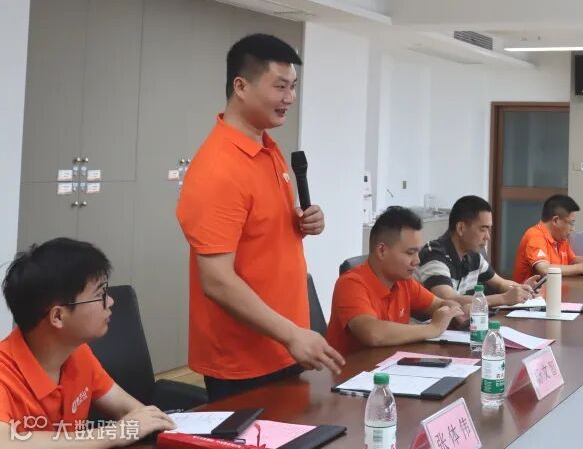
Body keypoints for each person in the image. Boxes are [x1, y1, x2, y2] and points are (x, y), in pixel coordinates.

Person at [176, 34, 343, 402]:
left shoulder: (267, 147)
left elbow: (259, 230)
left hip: (285, 344)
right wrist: (291, 334)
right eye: (280, 86)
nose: (290, 97)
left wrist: (301, 222)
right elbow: (217, 281)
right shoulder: (219, 168)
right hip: (245, 360)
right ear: (241, 87)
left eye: (293, 86)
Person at [0, 239, 176, 447]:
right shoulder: (5, 373)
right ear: (58, 316)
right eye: (99, 295)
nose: (110, 302)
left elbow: (131, 411)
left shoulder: (76, 352)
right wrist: (116, 433)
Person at [327, 207, 467, 353]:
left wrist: (454, 310)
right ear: (382, 251)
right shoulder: (350, 284)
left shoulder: (404, 282)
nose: (417, 261)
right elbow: (372, 333)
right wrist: (433, 328)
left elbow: (439, 304)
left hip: (390, 362)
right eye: (410, 253)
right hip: (354, 367)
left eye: (418, 252)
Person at [416, 196, 540, 309]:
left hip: (457, 323)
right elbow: (448, 299)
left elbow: (500, 283)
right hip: (427, 325)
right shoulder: (434, 254)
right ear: (461, 228)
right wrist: (503, 298)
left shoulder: (473, 256)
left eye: (489, 230)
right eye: (483, 229)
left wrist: (521, 289)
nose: (488, 237)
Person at [512, 195, 583, 284]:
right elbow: (544, 269)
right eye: (571, 223)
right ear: (556, 220)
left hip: (556, 291)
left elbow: (572, 260)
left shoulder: (560, 237)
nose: (573, 228)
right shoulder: (535, 236)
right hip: (531, 296)